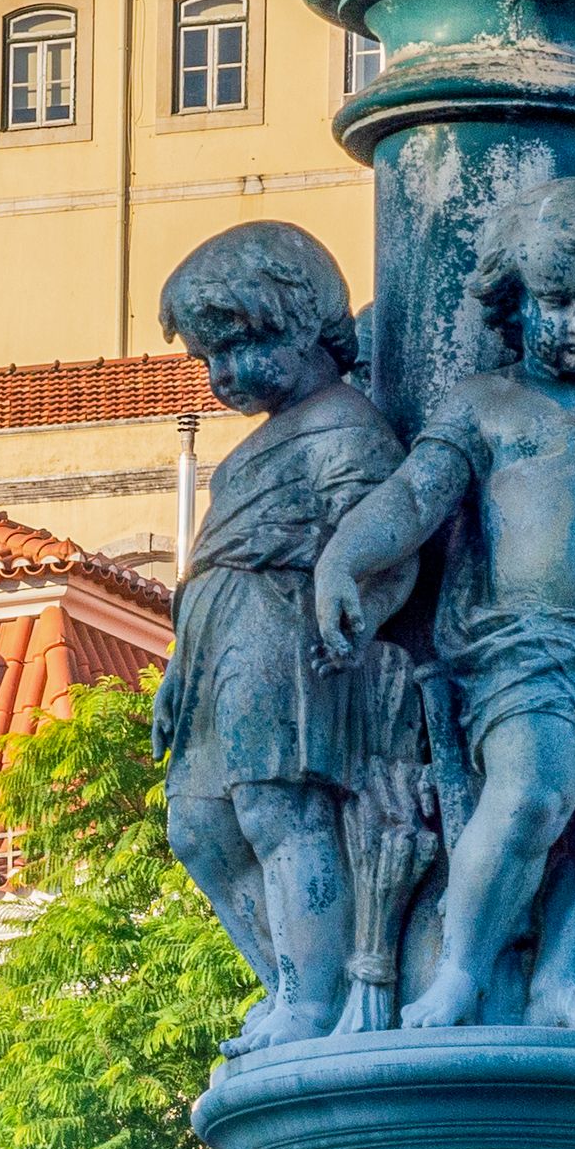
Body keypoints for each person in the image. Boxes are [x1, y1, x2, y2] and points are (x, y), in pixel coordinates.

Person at [315, 180, 575, 1032]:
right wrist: (343, 557)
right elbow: (414, 499)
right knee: (529, 796)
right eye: (554, 301)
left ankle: (560, 979)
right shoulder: (483, 404)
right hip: (523, 639)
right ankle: (457, 973)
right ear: (513, 304)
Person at [152, 220, 411, 1049]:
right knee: (196, 827)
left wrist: (356, 615)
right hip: (212, 651)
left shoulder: (345, 428)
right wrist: (173, 675)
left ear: (305, 326)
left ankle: (312, 996)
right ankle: (285, 987)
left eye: (238, 348)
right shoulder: (251, 451)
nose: (223, 375)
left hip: (282, 635)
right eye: (207, 358)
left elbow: (390, 543)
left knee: (280, 812)